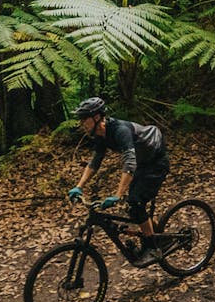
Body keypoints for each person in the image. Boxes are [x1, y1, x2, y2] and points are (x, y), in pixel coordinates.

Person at [68, 97, 170, 267]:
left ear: (96, 117)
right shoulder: (101, 135)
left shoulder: (120, 131)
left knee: (135, 202)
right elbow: (95, 162)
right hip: (142, 163)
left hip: (155, 163)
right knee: (134, 208)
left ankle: (153, 247)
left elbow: (129, 162)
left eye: (84, 119)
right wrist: (79, 186)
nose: (82, 124)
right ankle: (159, 236)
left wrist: (117, 195)